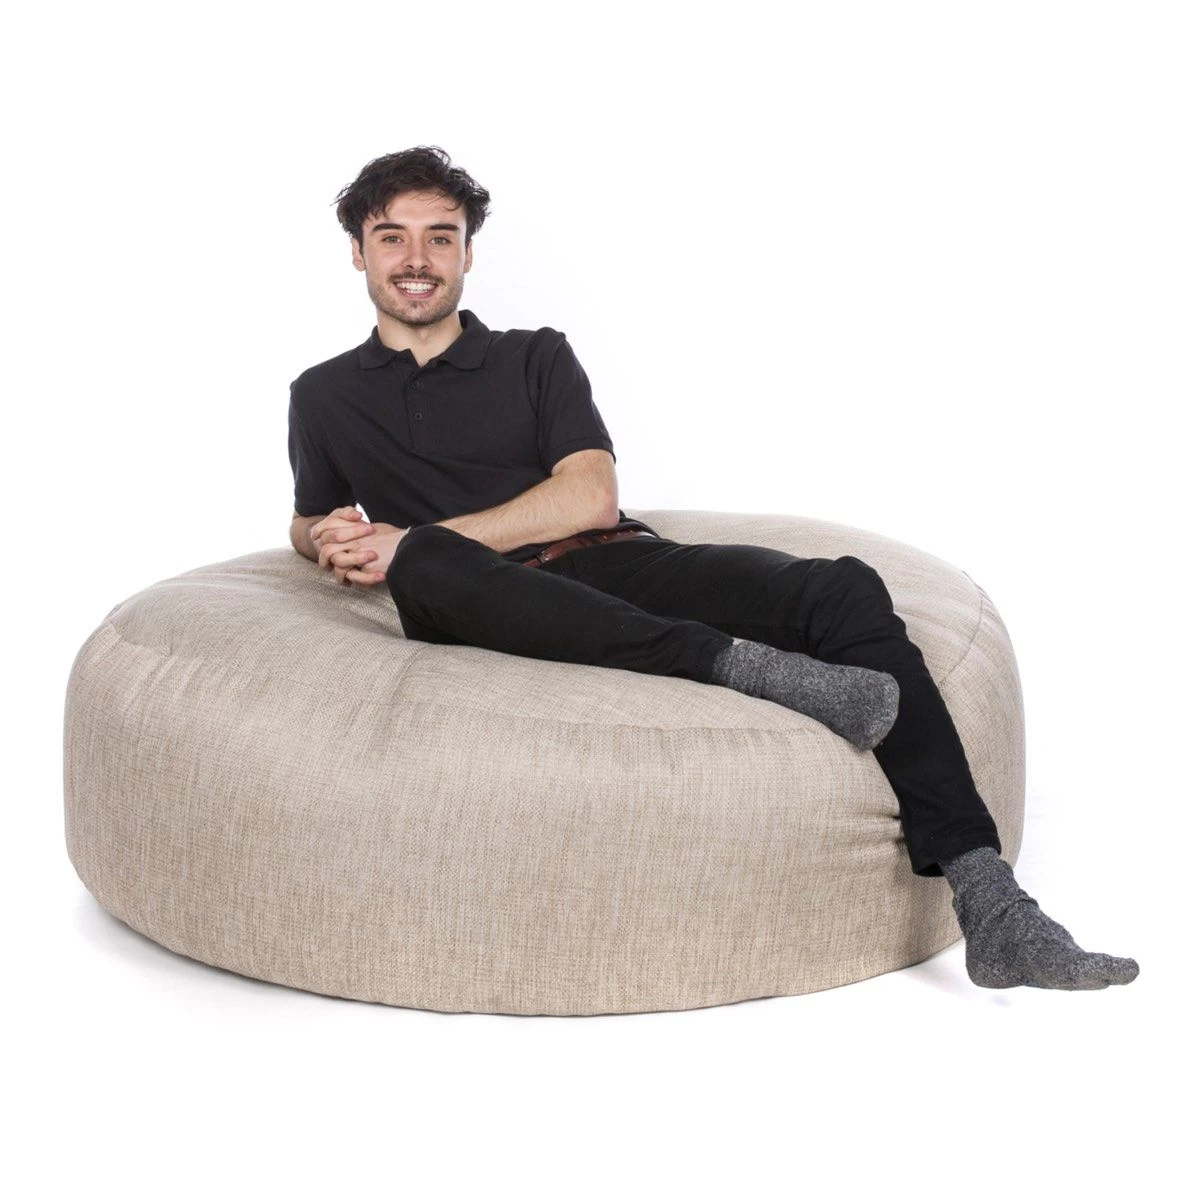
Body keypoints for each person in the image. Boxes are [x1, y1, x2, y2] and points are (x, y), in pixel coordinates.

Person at [288, 146, 1138, 992]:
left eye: (440, 237)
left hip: (612, 562)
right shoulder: (321, 395)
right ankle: (745, 669)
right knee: (429, 562)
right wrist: (325, 536)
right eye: (392, 237)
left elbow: (590, 497)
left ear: (468, 253)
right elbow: (309, 517)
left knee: (840, 586)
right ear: (359, 253)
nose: (417, 259)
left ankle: (991, 901)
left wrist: (413, 535)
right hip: (473, 600)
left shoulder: (535, 356)